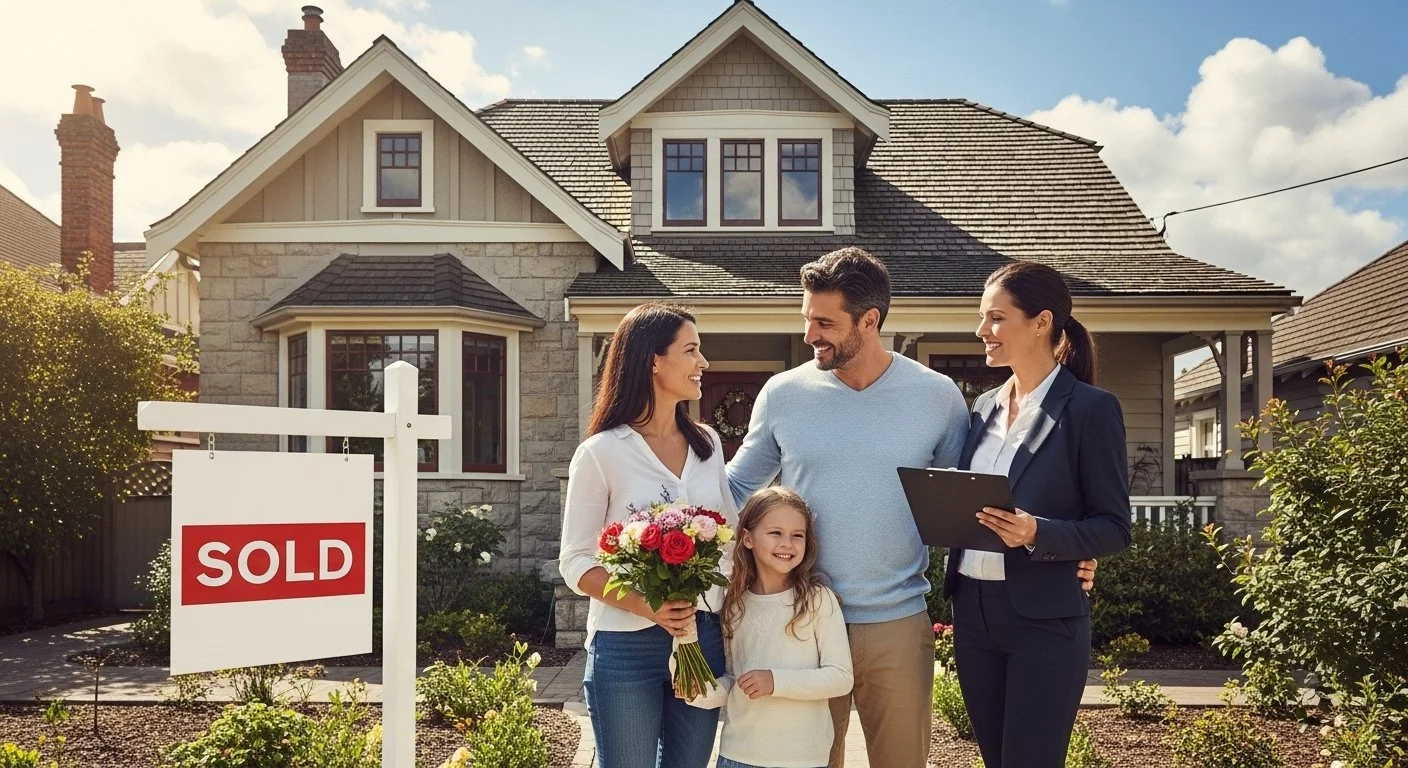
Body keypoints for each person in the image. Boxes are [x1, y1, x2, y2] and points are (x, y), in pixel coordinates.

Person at [727, 247, 1100, 768]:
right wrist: (672, 528)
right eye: (807, 319)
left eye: (824, 322)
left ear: (870, 320)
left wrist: (1066, 545)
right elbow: (736, 490)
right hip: (803, 617)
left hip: (897, 622)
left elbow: (978, 499)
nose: (811, 334)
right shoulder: (783, 393)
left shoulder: (937, 396)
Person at [943, 261, 1133, 768]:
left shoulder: (1091, 409)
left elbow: (1113, 527)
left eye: (996, 318)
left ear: (1041, 321)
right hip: (972, 613)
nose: (982, 331)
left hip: (1044, 621)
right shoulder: (982, 405)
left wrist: (1037, 533)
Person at [558, 303, 735, 768]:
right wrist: (647, 605)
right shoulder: (600, 453)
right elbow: (576, 562)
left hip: (702, 636)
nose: (704, 363)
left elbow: (729, 539)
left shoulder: (708, 444)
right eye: (692, 350)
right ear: (653, 361)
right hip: (625, 646)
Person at [680, 487, 852, 768]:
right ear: (747, 538)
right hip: (738, 755)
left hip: (803, 758)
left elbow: (840, 678)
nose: (788, 543)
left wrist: (775, 682)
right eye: (776, 533)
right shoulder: (734, 604)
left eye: (797, 535)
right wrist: (702, 693)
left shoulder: (818, 600)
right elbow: (735, 678)